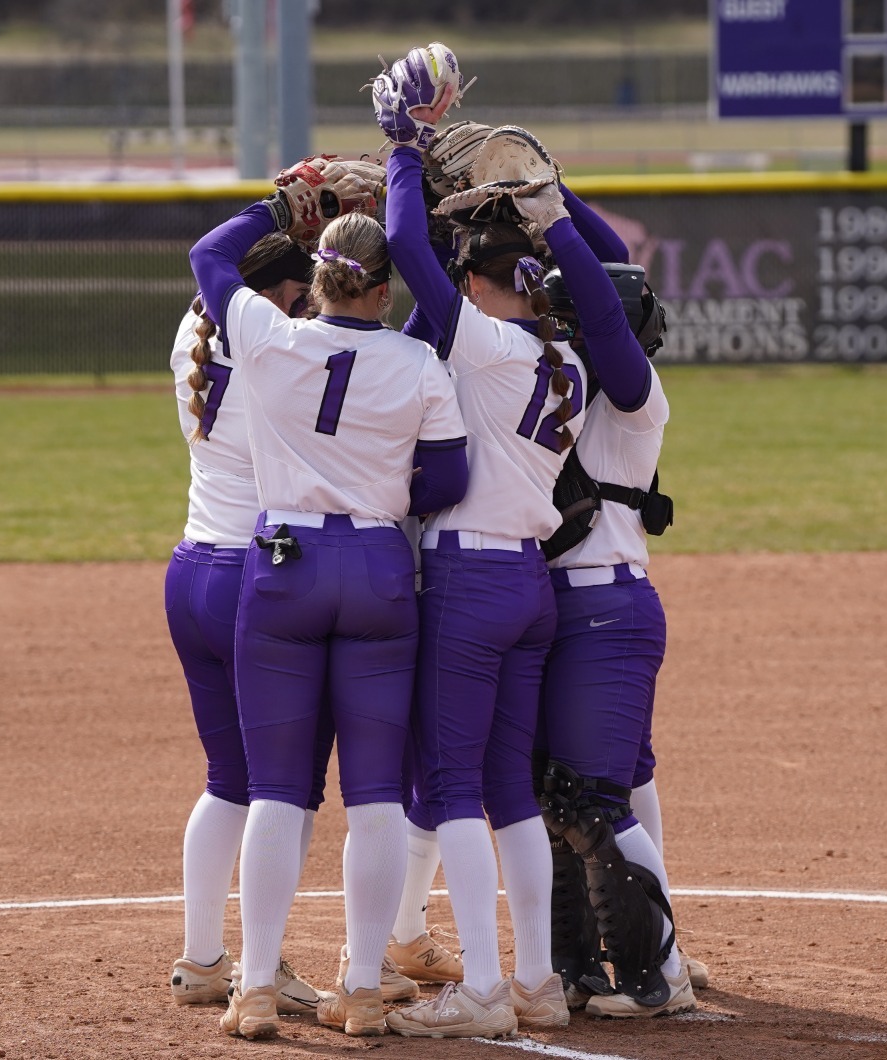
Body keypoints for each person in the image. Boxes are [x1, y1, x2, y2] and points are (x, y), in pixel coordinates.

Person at [189, 201, 469, 1041]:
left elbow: (210, 255)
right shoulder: (418, 360)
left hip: (283, 565)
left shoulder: (272, 338)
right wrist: (383, 497)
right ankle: (360, 986)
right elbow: (447, 479)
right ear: (382, 290)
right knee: (377, 790)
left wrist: (282, 201)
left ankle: (257, 989)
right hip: (380, 567)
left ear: (314, 277)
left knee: (278, 787)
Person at [367, 62, 585, 1038]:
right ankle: (536, 980)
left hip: (465, 580)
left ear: (472, 280)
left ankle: (487, 993)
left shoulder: (485, 348)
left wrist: (404, 150)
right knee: (507, 789)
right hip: (530, 586)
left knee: (453, 783)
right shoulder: (561, 357)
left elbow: (405, 245)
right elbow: (437, 258)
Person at [518, 180, 696, 1019]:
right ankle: (581, 966)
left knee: (590, 802)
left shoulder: (632, 392)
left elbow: (608, 281)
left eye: (565, 319)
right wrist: (549, 198)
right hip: (562, 610)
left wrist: (555, 220)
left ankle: (662, 969)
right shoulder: (552, 389)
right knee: (558, 797)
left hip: (606, 612)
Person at [163, 232, 335, 1014]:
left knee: (227, 780)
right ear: (271, 299)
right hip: (253, 579)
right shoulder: (279, 352)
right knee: (286, 789)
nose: (308, 309)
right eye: (300, 297)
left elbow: (222, 266)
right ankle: (262, 965)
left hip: (192, 569)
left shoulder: (193, 329)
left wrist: (282, 207)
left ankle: (202, 958)